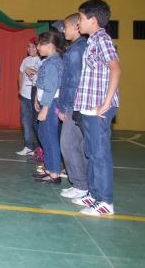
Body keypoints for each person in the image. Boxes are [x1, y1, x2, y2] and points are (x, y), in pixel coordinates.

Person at [72, 0, 120, 216]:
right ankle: (94, 194)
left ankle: (106, 201)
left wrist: (107, 102)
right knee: (91, 151)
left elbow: (115, 69)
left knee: (100, 154)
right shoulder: (91, 41)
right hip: (88, 107)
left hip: (99, 107)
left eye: (80, 19)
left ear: (93, 20)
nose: (78, 23)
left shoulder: (102, 39)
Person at [57, 13, 89, 199]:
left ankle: (81, 185)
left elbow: (73, 81)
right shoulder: (76, 48)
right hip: (75, 104)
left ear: (76, 27)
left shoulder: (77, 51)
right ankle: (82, 183)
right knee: (76, 145)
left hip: (73, 105)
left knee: (68, 144)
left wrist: (64, 107)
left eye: (66, 27)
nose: (63, 30)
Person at [33, 31, 64, 184]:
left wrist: (45, 108)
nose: (37, 47)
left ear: (50, 45)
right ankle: (49, 168)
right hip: (47, 103)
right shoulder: (50, 61)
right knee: (43, 135)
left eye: (40, 44)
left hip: (50, 105)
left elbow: (51, 88)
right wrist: (37, 99)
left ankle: (55, 173)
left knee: (50, 137)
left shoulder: (52, 63)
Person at [16, 38, 41, 156]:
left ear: (38, 47)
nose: (30, 49)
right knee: (26, 121)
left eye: (33, 46)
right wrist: (20, 88)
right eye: (28, 46)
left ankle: (41, 147)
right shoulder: (25, 60)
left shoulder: (42, 60)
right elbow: (20, 74)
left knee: (37, 122)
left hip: (36, 95)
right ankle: (28, 146)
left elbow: (43, 76)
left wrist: (33, 71)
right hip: (25, 95)